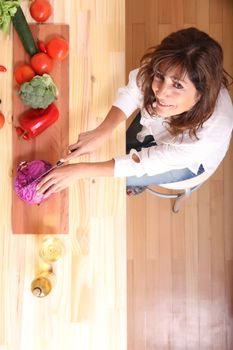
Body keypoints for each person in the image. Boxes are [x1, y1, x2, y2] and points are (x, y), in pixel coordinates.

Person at [36, 27, 233, 197]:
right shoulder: (168, 67)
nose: (161, 93)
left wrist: (79, 170)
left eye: (178, 86)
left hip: (186, 163)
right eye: (160, 76)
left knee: (132, 176)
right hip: (163, 123)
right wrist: (103, 131)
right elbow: (135, 90)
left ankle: (136, 185)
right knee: (125, 146)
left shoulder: (206, 137)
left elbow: (143, 164)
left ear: (200, 94)